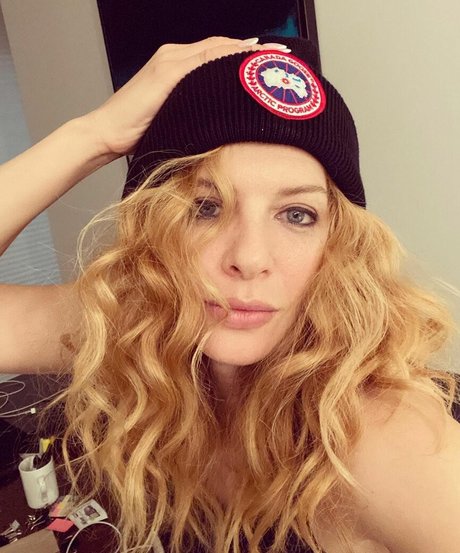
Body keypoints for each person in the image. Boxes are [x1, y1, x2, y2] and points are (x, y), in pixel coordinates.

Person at [0, 35, 459, 553]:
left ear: (337, 246)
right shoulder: (135, 328)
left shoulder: (384, 440)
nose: (249, 257)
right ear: (155, 230)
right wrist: (94, 135)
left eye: (297, 214)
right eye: (205, 207)